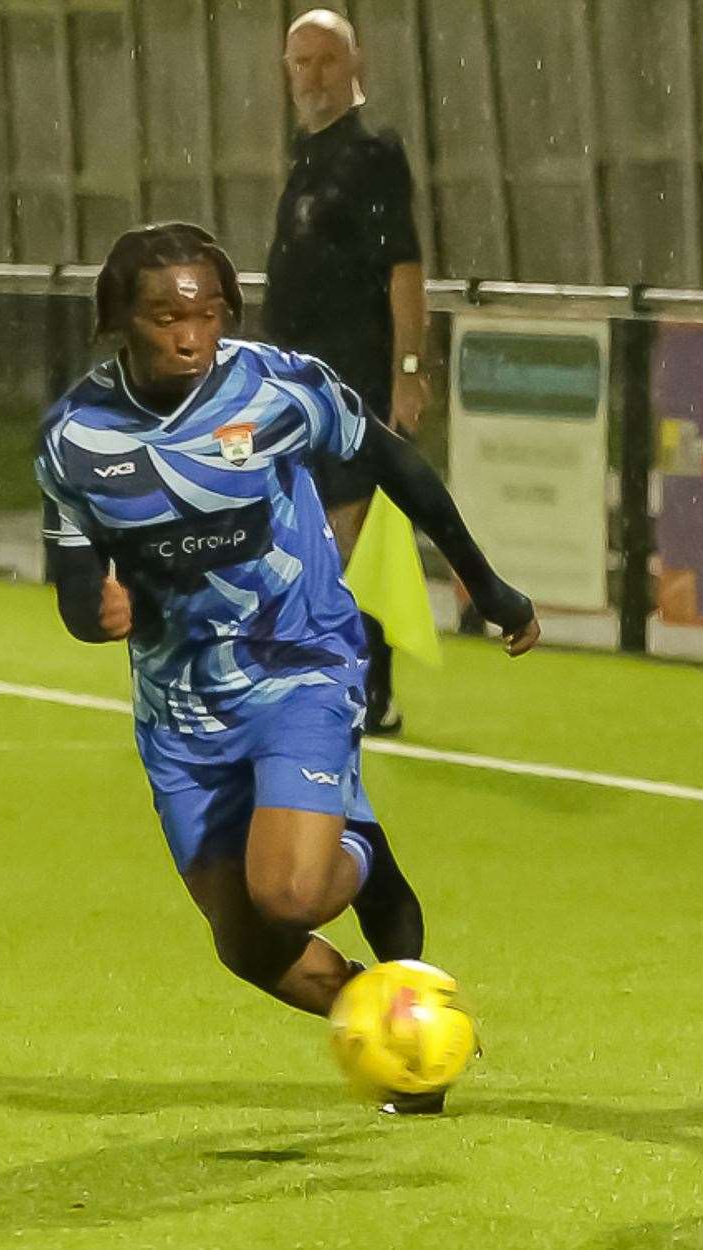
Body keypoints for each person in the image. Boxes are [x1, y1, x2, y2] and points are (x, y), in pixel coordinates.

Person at [36, 223, 538, 1112]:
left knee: (292, 891)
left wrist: (486, 583)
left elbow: (394, 462)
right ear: (120, 319)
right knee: (249, 944)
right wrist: (94, 612)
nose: (192, 334)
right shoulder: (76, 437)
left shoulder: (279, 387)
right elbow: (78, 585)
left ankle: (362, 862)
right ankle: (406, 1031)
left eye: (209, 312)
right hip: (181, 709)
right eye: (166, 317)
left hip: (300, 664)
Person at [265, 8, 429, 737]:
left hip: (353, 373)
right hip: (298, 379)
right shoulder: (307, 152)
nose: (312, 77)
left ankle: (369, 688)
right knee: (307, 532)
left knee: (350, 533)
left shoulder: (372, 151)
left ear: (355, 63)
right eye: (300, 64)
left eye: (325, 61)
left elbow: (405, 267)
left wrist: (408, 367)